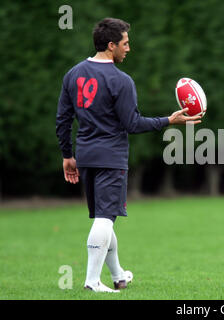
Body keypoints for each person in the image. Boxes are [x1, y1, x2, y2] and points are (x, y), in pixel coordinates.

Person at [56, 17, 201, 293]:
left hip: (85, 156)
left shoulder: (73, 74)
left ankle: (119, 275)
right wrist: (169, 121)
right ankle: (91, 282)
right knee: (104, 219)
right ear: (111, 45)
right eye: (125, 43)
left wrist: (67, 155)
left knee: (103, 216)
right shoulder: (121, 81)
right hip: (111, 158)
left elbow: (62, 119)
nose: (128, 48)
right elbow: (132, 124)